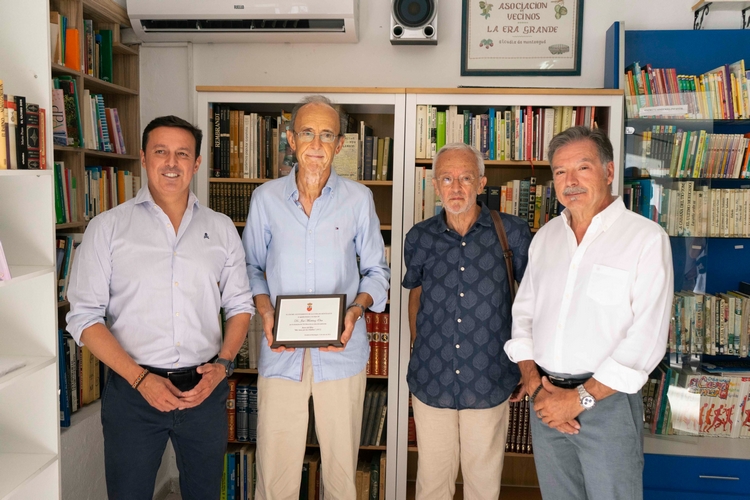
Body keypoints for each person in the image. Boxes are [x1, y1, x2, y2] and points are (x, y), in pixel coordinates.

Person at [66, 115, 254, 500]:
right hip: (133, 392)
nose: (171, 162)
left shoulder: (221, 228)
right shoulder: (108, 228)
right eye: (161, 152)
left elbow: (240, 305)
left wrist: (223, 366)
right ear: (143, 158)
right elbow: (84, 318)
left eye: (182, 154)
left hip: (204, 390)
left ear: (196, 163)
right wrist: (140, 380)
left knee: (204, 494)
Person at [504, 126, 673, 500]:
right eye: (560, 171)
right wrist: (535, 386)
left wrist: (578, 399)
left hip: (607, 405)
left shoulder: (645, 239)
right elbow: (524, 315)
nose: (571, 181)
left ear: (609, 171)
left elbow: (647, 339)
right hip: (545, 399)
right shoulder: (546, 237)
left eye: (583, 168)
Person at [242, 95, 390, 499]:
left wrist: (356, 309)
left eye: (327, 135)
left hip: (341, 352)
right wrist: (265, 310)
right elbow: (250, 267)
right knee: (275, 475)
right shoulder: (266, 199)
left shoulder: (358, 199)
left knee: (341, 476)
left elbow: (378, 272)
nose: (316, 144)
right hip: (281, 352)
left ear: (340, 145)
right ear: (291, 140)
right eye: (307, 133)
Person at [402, 143, 532, 500]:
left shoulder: (512, 232)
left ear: (481, 183)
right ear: (435, 185)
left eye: (465, 178)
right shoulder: (419, 237)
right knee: (432, 483)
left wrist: (527, 364)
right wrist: (418, 347)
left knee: (483, 484)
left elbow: (532, 299)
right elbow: (416, 294)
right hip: (431, 377)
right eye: (446, 179)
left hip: (488, 376)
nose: (456, 187)